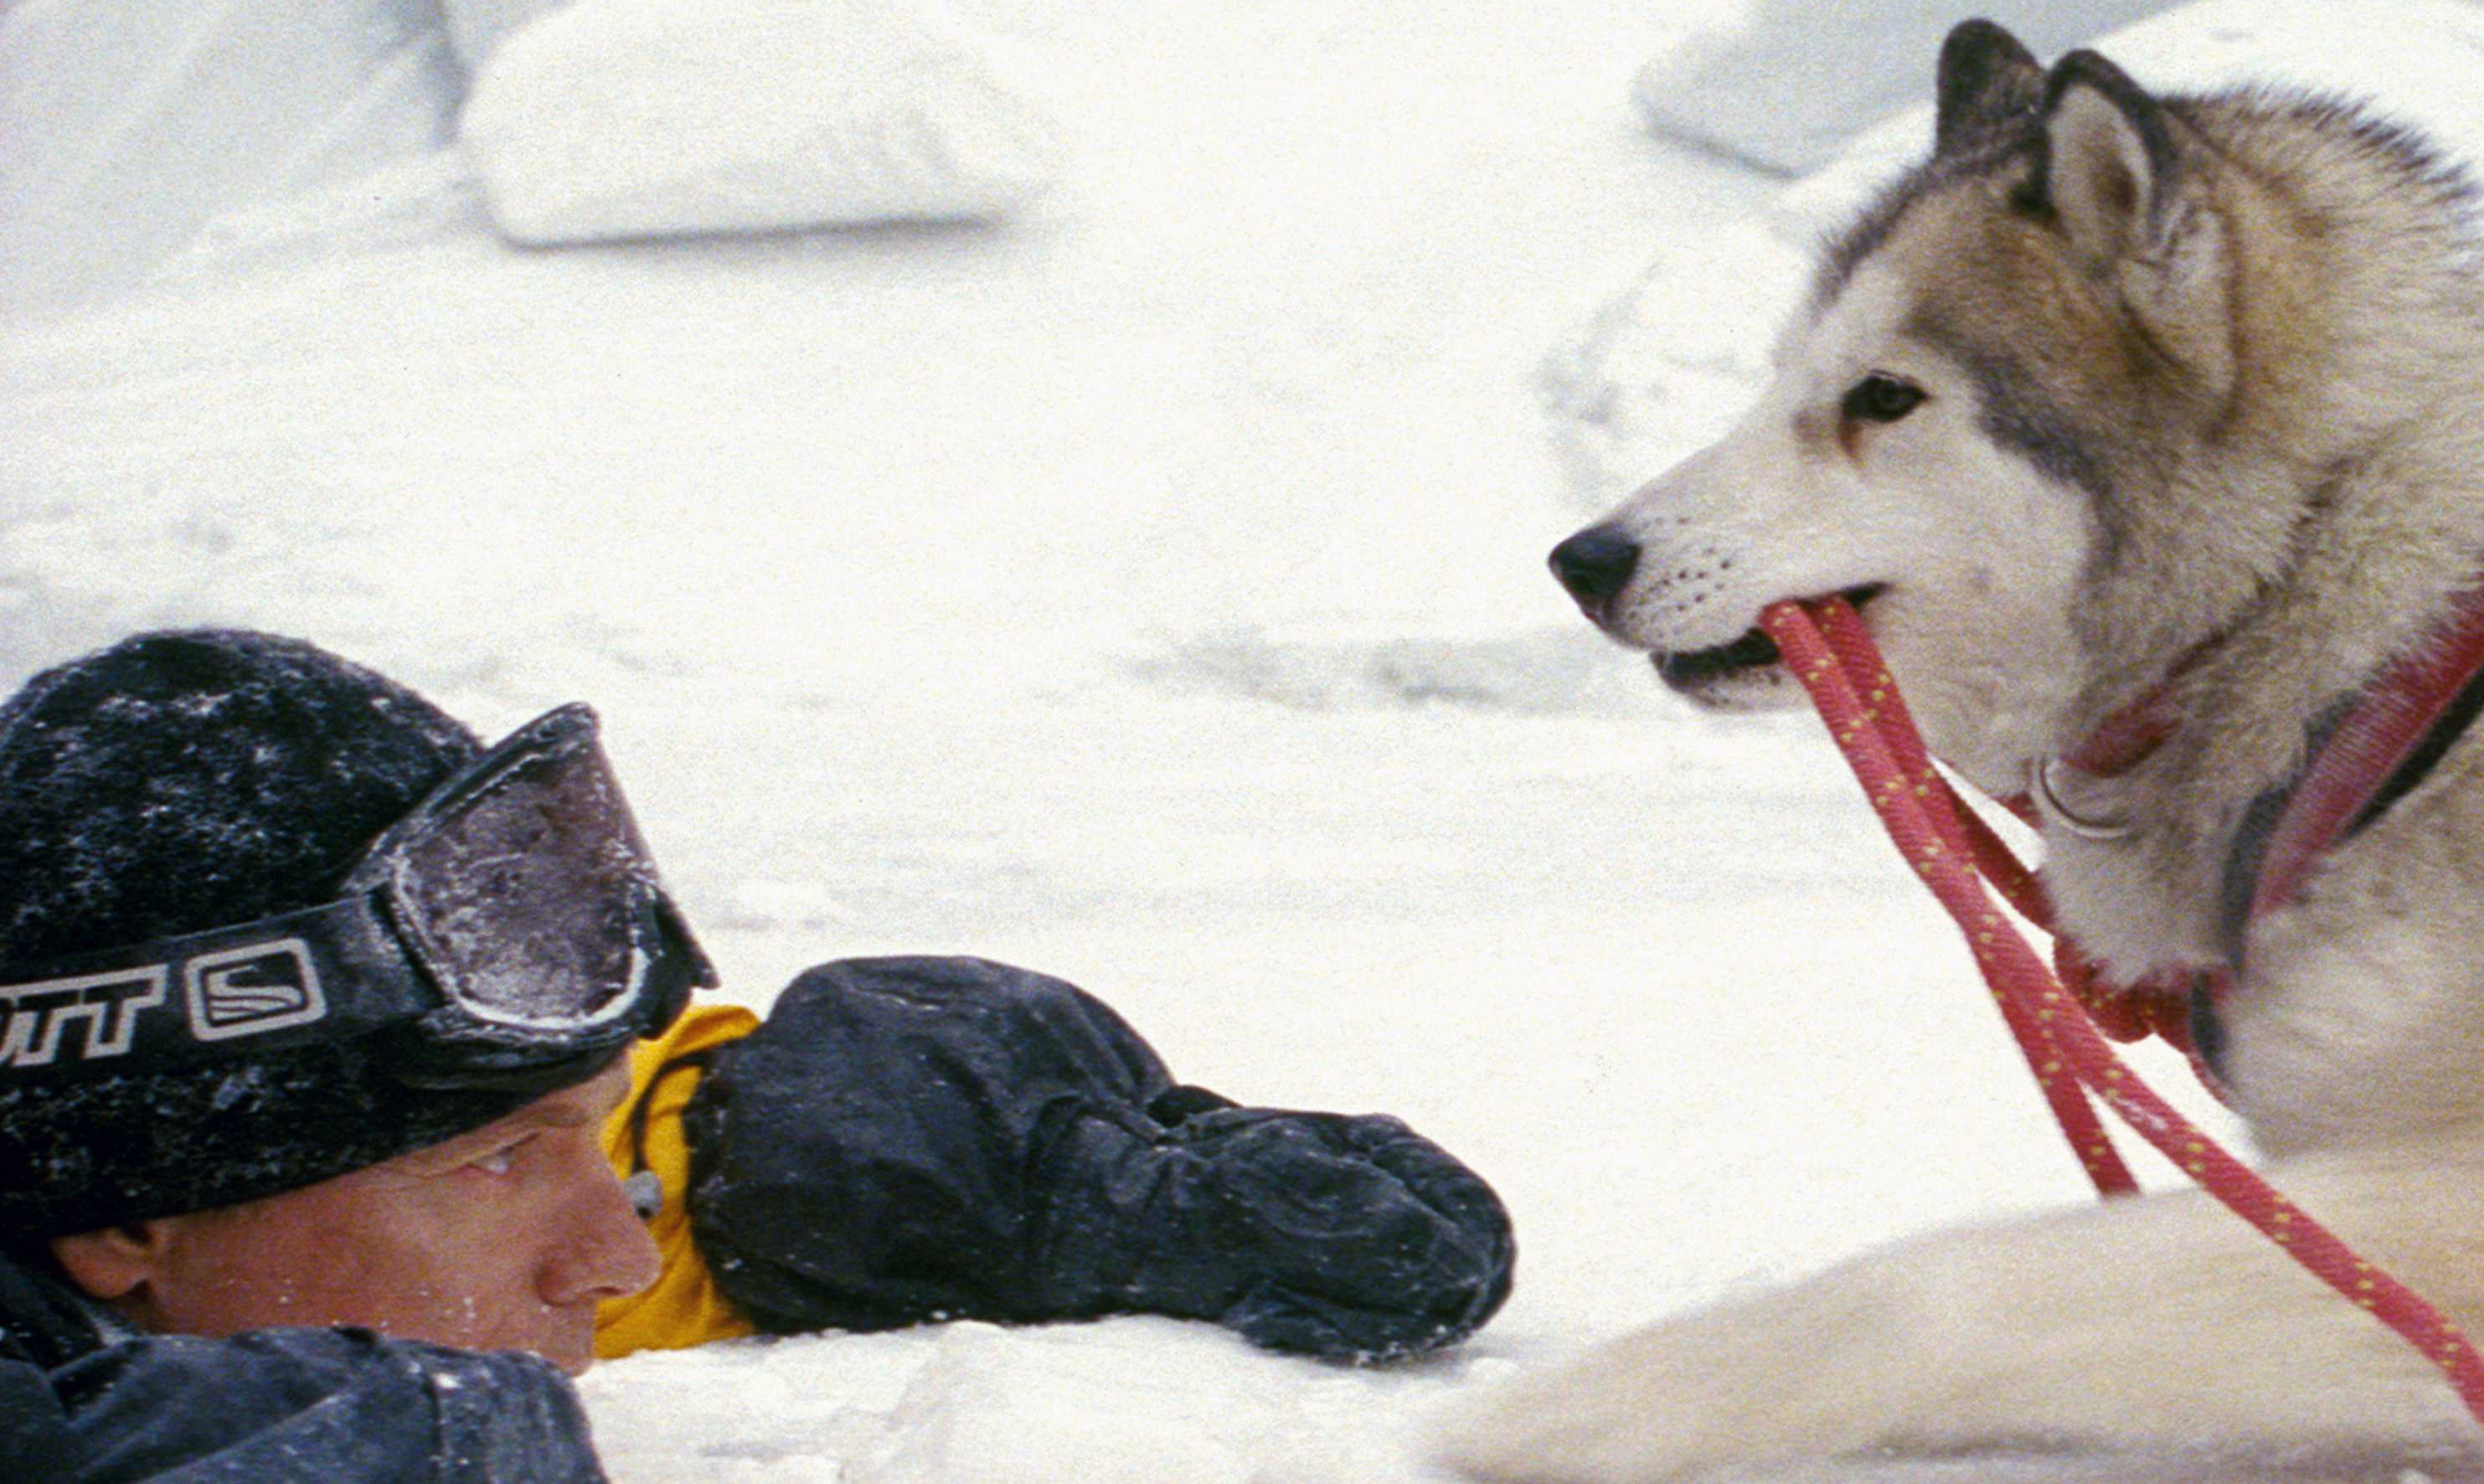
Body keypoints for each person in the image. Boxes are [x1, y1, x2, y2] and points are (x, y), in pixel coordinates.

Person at [0, 629, 1513, 1481]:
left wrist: (906, 1162)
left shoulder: (287, 1234)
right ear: (121, 1215)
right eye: (499, 1161)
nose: (607, 1250)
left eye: (590, 1136)